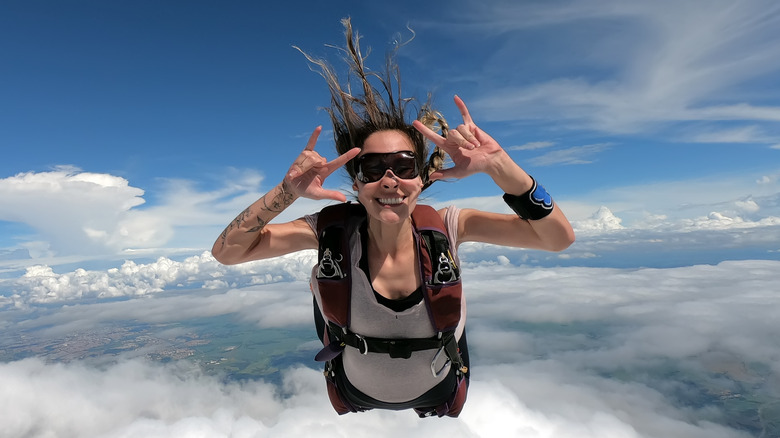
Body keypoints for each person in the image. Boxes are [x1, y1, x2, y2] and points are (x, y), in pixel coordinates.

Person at [211, 18, 575, 418]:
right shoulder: (328, 231)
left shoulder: (451, 225)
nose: (389, 179)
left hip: (440, 389)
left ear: (420, 179)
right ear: (355, 182)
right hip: (355, 390)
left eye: (404, 165)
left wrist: (501, 168)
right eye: (372, 168)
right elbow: (228, 253)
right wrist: (286, 193)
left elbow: (557, 238)